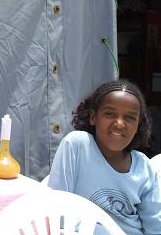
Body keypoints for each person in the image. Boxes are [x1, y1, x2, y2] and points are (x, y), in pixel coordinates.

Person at [48, 79, 161, 235]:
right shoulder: (77, 146)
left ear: (138, 126)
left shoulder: (144, 167)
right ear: (93, 117)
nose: (120, 123)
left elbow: (155, 226)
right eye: (110, 113)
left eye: (130, 117)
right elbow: (57, 207)